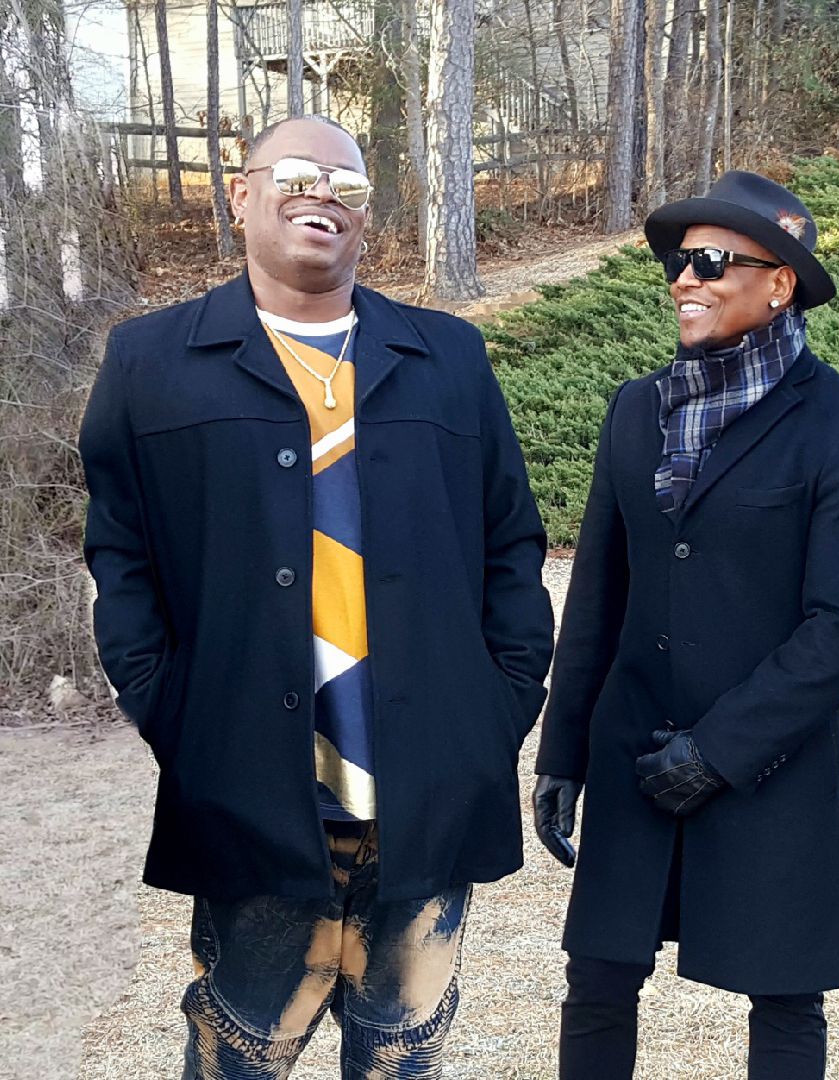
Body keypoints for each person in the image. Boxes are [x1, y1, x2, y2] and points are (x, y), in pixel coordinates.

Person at [79, 115, 554, 1077]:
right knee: (239, 1054)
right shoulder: (151, 361)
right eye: (296, 174)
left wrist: (499, 705)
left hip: (425, 795)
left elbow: (510, 541)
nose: (323, 196)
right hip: (250, 795)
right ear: (240, 193)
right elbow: (120, 556)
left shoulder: (448, 357)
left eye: (347, 184)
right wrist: (172, 712)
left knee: (401, 1057)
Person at [531, 170, 839, 1079]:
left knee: (786, 993)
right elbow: (599, 595)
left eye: (710, 261)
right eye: (677, 263)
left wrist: (720, 751)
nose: (684, 280)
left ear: (779, 283)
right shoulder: (636, 408)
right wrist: (563, 752)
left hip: (769, 759)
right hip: (633, 747)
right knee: (598, 979)